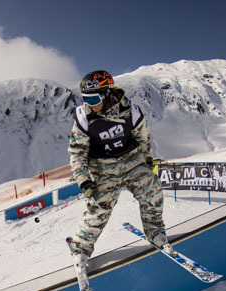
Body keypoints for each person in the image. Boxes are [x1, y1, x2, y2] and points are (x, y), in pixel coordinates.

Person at [67, 70, 172, 267]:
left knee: (152, 190)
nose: (90, 104)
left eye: (94, 98)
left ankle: (155, 233)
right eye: (86, 99)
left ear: (107, 93)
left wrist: (148, 162)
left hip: (131, 160)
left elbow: (143, 139)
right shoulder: (84, 118)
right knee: (100, 205)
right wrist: (84, 179)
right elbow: (77, 153)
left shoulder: (131, 112)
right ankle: (81, 248)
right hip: (102, 167)